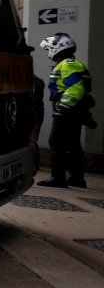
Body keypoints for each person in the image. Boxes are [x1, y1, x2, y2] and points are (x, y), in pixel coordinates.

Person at [36, 32, 95, 188]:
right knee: (72, 143)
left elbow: (75, 88)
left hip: (67, 110)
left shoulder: (68, 64)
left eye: (49, 48)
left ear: (58, 48)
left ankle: (58, 178)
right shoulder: (69, 63)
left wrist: (63, 107)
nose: (48, 51)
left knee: (56, 141)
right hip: (74, 110)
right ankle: (76, 178)